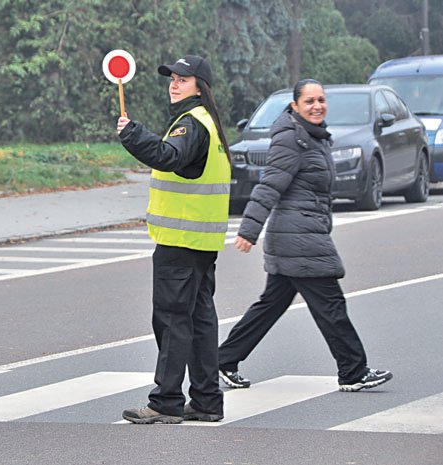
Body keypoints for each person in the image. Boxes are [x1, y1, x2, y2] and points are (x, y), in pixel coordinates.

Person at [218, 79, 393, 393]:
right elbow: (270, 184)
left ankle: (223, 359)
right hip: (299, 238)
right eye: (309, 101)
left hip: (300, 233)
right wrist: (249, 229)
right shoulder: (292, 140)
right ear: (295, 106)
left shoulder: (315, 137)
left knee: (271, 304)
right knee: (331, 305)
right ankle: (353, 371)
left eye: (321, 100)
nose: (317, 106)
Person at [116, 55, 231, 424]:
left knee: (171, 319)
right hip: (198, 241)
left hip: (181, 240)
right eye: (172, 77)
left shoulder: (191, 124)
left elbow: (168, 157)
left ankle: (165, 402)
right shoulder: (206, 122)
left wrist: (133, 134)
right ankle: (206, 400)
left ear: (200, 86)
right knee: (198, 321)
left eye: (183, 78)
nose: (174, 83)